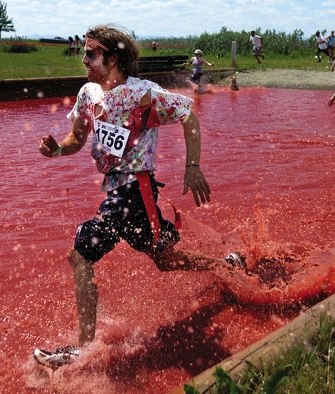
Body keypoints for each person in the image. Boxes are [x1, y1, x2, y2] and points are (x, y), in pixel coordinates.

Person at [33, 24, 241, 369]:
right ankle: (229, 267)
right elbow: (76, 139)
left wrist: (192, 166)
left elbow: (189, 115)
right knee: (166, 261)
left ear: (113, 57)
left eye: (91, 52)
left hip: (134, 187)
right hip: (118, 190)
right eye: (84, 51)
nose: (83, 58)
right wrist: (56, 150)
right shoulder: (88, 94)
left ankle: (83, 348)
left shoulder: (143, 94)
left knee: (80, 254)